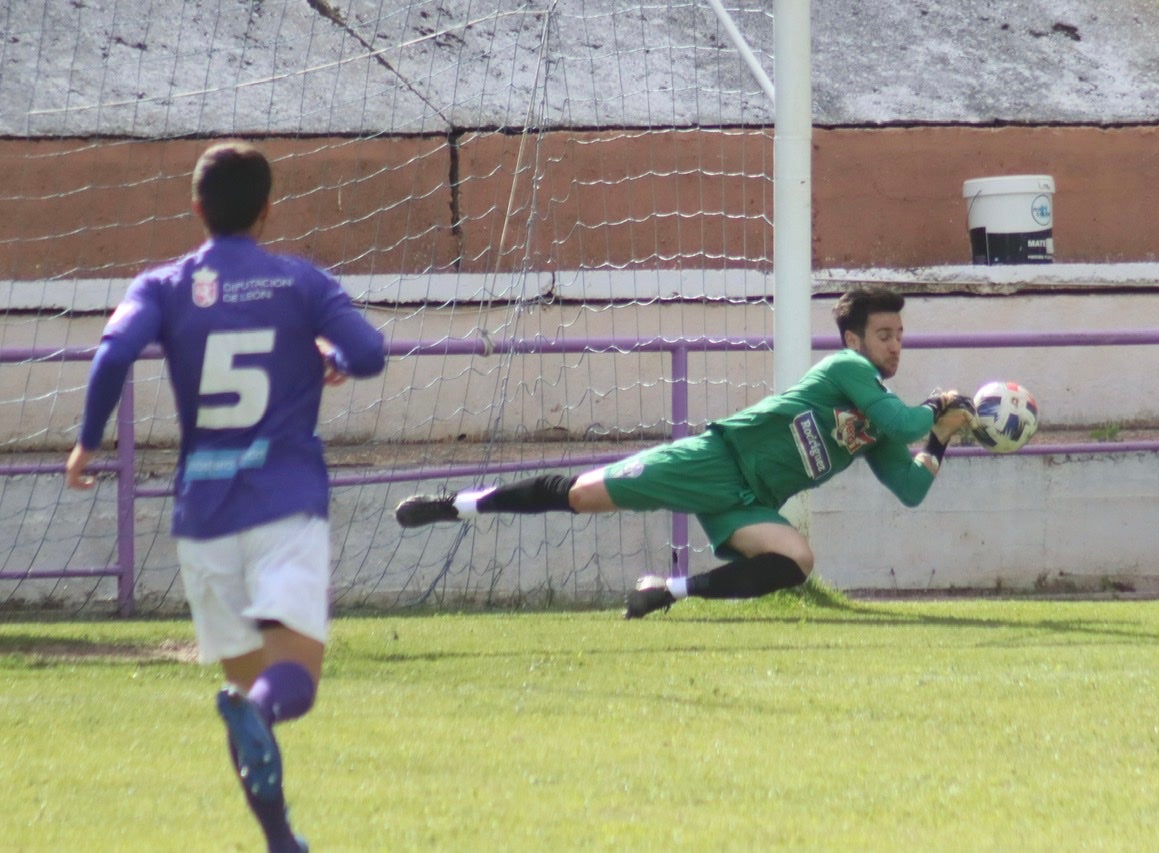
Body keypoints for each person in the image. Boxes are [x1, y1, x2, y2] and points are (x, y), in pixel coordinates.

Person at [65, 141, 386, 852]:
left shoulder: (163, 285)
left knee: (248, 693)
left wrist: (88, 440)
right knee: (290, 685)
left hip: (203, 517)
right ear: (269, 209)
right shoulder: (300, 282)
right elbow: (370, 352)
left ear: (196, 206)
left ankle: (280, 840)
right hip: (285, 501)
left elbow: (113, 353)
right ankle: (267, 758)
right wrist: (330, 357)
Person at [394, 286, 973, 619]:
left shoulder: (881, 416)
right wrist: (939, 404)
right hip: (716, 460)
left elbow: (911, 488)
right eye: (884, 336)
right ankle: (455, 505)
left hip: (751, 502)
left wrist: (939, 439)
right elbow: (904, 420)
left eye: (900, 336)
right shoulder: (847, 369)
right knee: (583, 495)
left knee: (796, 559)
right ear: (854, 341)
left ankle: (666, 591)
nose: (896, 345)